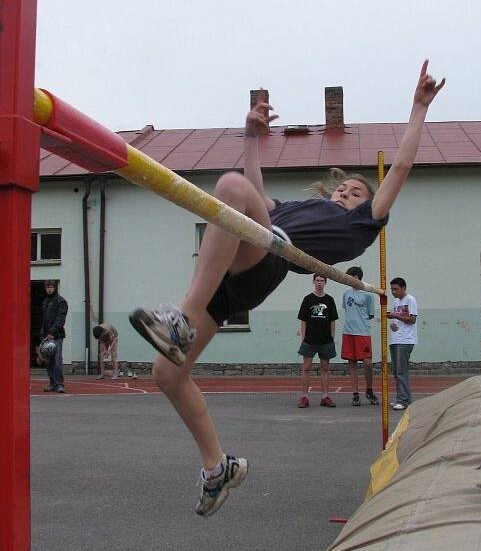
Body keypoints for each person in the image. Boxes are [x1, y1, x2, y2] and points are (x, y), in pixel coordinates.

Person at [129, 60, 445, 516]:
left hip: (267, 259)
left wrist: (417, 109)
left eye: (356, 193)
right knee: (167, 374)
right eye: (343, 191)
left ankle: (182, 318)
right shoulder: (305, 205)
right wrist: (251, 138)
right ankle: (218, 466)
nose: (346, 195)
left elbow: (398, 170)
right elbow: (257, 196)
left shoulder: (360, 222)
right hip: (237, 264)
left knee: (230, 189)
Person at [297, 274, 339, 408]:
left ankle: (325, 396)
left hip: (325, 340)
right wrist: (303, 338)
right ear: (314, 282)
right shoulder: (308, 299)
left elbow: (332, 320)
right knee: (306, 368)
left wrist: (332, 337)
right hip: (309, 340)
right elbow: (303, 321)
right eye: (317, 280)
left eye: (322, 281)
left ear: (325, 283)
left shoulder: (329, 300)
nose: (319, 283)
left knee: (325, 368)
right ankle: (304, 397)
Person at [341, 266, 379, 406]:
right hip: (348, 333)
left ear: (356, 277)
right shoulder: (346, 294)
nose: (347, 280)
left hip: (363, 333)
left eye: (349, 276)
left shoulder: (368, 294)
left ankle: (369, 391)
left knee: (368, 363)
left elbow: (370, 315)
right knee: (352, 364)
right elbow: (347, 310)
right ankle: (355, 394)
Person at [387, 277, 418, 410]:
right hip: (396, 339)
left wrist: (395, 316)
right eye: (392, 289)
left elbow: (412, 319)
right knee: (396, 371)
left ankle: (404, 400)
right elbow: (398, 322)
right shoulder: (396, 302)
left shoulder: (410, 300)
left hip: (405, 340)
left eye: (396, 289)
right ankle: (401, 398)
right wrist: (393, 324)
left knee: (401, 371)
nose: (393, 292)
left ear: (403, 288)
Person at [40, 280, 68, 393]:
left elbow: (61, 319)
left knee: (57, 360)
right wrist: (43, 333)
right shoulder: (45, 301)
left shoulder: (61, 301)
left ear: (55, 288)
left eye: (51, 287)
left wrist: (52, 332)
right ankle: (52, 383)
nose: (49, 289)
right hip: (46, 336)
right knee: (49, 362)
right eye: (47, 287)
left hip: (56, 336)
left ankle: (59, 384)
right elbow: (44, 320)